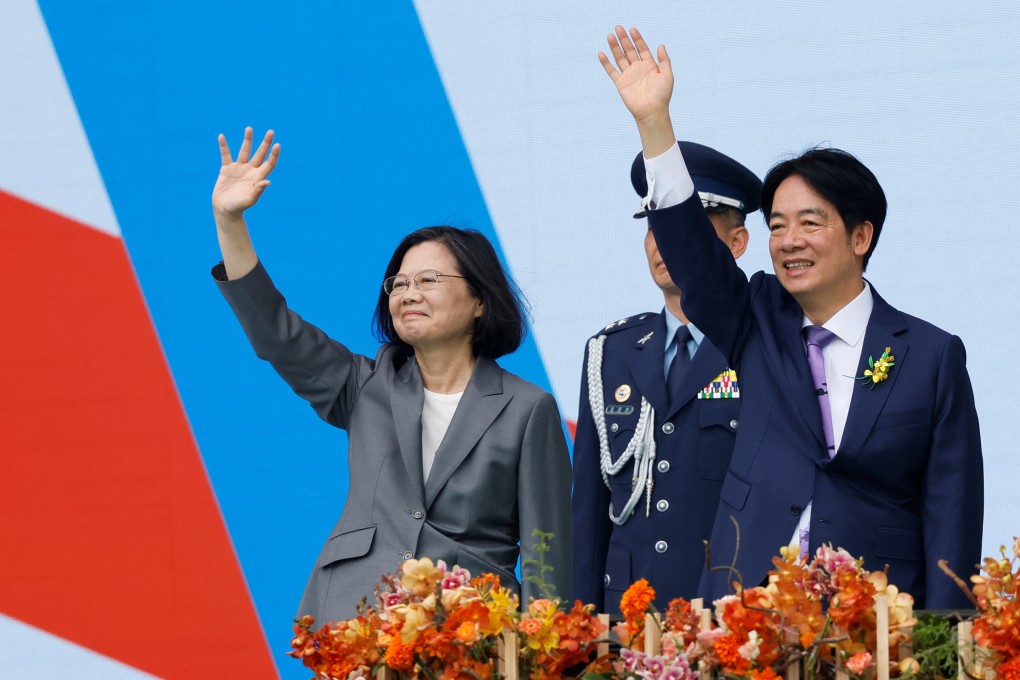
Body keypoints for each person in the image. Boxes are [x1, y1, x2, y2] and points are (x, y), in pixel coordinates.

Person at [599, 26, 983, 610]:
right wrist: (655, 128)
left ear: (860, 235)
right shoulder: (756, 317)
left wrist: (944, 638)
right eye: (777, 225)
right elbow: (694, 257)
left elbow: (950, 507)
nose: (788, 241)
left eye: (809, 222)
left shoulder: (930, 355)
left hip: (876, 620)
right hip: (743, 610)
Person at [209, 127, 572, 623]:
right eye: (398, 283)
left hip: (470, 630)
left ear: (480, 301)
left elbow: (546, 551)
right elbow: (277, 334)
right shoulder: (365, 386)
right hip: (357, 617)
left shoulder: (528, 409)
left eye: (428, 280)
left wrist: (541, 655)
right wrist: (230, 221)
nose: (407, 293)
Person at [572, 142, 760, 614]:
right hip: (626, 619)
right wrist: (581, 624)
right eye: (654, 226)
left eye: (685, 227)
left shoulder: (761, 343)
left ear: (736, 243)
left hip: (727, 614)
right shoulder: (610, 351)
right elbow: (590, 512)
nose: (664, 241)